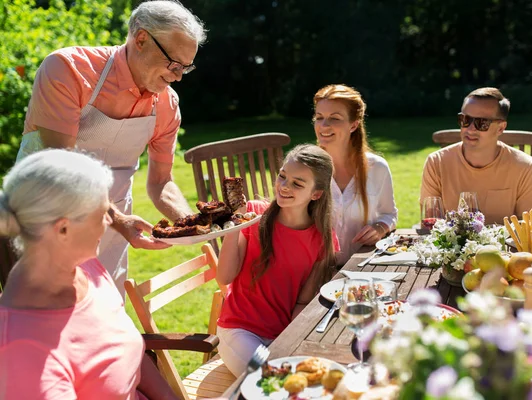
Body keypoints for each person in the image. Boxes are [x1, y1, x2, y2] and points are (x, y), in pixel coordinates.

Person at [15, 0, 205, 294]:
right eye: (173, 64)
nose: (178, 76)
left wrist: (191, 223)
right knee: (47, 320)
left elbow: (160, 181)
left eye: (186, 68)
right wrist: (118, 219)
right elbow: (63, 169)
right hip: (46, 219)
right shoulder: (68, 70)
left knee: (108, 314)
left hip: (114, 224)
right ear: (141, 39)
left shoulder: (167, 105)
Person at [0, 149, 180, 399]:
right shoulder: (24, 351)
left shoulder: (86, 268)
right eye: (101, 213)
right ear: (63, 229)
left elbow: (127, 350)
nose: (109, 222)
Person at [216, 144, 340, 376]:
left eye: (297, 183)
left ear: (316, 194)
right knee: (272, 382)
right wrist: (234, 224)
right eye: (283, 176)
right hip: (240, 330)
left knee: (315, 379)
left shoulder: (322, 237)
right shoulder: (252, 215)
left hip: (283, 334)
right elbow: (224, 277)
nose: (284, 186)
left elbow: (302, 302)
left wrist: (293, 343)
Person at [420, 87, 532, 225]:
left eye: (482, 123)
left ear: (501, 128)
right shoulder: (436, 162)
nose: (470, 128)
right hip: (451, 246)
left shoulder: (525, 167)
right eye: (465, 119)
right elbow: (430, 226)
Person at [313, 84, 397, 266]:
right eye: (319, 117)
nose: (324, 125)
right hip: (314, 271)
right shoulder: (308, 168)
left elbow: (389, 214)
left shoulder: (377, 168)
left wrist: (380, 228)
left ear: (354, 125)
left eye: (334, 118)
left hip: (362, 269)